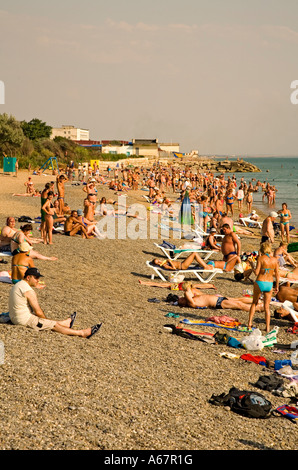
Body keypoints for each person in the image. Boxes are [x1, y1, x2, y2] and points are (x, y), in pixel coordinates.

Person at [8, 267, 102, 338]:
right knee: (53, 325)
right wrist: (46, 321)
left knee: (47, 322)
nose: (38, 280)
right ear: (28, 277)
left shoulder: (19, 284)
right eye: (36, 278)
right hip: (23, 320)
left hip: (15, 316)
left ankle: (65, 323)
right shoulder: (28, 291)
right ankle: (82, 333)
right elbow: (38, 312)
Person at [248, 242, 279, 333]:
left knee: (254, 303)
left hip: (260, 282)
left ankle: (249, 323)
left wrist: (252, 265)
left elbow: (257, 273)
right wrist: (277, 286)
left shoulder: (261, 258)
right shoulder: (275, 260)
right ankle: (268, 327)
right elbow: (277, 275)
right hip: (269, 283)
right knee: (267, 307)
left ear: (262, 249)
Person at [178, 281, 263, 312]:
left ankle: (256, 302)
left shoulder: (192, 297)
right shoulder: (191, 302)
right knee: (238, 304)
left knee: (238, 301)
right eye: (180, 300)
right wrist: (186, 293)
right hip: (218, 303)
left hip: (218, 299)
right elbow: (193, 303)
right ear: (183, 304)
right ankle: (258, 308)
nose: (180, 298)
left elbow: (195, 292)